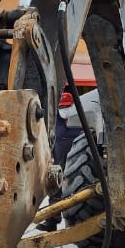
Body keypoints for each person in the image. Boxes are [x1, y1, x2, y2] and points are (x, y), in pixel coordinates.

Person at [37, 91, 84, 232]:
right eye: (62, 106)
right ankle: (52, 220)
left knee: (75, 187)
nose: (64, 110)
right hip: (60, 159)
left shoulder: (78, 115)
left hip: (77, 160)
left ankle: (76, 222)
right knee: (56, 186)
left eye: (66, 106)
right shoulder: (57, 117)